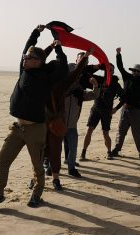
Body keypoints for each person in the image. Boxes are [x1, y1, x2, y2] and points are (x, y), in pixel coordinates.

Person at [0, 24, 68, 211]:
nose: (24, 59)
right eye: (24, 57)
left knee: (37, 167)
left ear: (38, 62)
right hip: (17, 128)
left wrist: (57, 46)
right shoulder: (24, 70)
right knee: (3, 160)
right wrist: (36, 33)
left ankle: (36, 195)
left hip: (36, 129)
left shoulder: (48, 78)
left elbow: (62, 64)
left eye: (28, 58)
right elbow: (28, 46)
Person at [42, 49, 94, 191]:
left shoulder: (63, 85)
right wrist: (51, 47)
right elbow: (38, 62)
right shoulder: (42, 83)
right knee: (42, 151)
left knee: (55, 150)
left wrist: (85, 58)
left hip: (58, 123)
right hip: (42, 123)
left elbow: (76, 73)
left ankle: (56, 178)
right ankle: (39, 177)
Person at [111, 47, 140, 160]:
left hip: (136, 111)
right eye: (134, 71)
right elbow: (120, 67)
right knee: (121, 131)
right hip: (125, 109)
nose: (135, 73)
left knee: (138, 133)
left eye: (138, 71)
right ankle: (116, 149)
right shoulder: (127, 77)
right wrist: (118, 54)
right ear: (132, 71)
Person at [80, 63, 124, 161]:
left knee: (105, 133)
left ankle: (109, 152)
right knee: (89, 130)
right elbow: (84, 73)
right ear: (105, 70)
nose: (109, 71)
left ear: (113, 71)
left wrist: (116, 109)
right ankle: (83, 152)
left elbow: (124, 98)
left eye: (111, 70)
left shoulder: (115, 84)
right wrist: (99, 66)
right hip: (96, 109)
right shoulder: (98, 79)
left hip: (107, 112)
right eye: (108, 69)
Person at [63, 73, 100, 177]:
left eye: (77, 77)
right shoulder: (60, 90)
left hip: (72, 126)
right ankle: (50, 168)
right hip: (58, 125)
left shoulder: (79, 92)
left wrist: (95, 85)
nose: (75, 79)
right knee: (55, 148)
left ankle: (71, 169)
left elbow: (94, 95)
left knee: (73, 148)